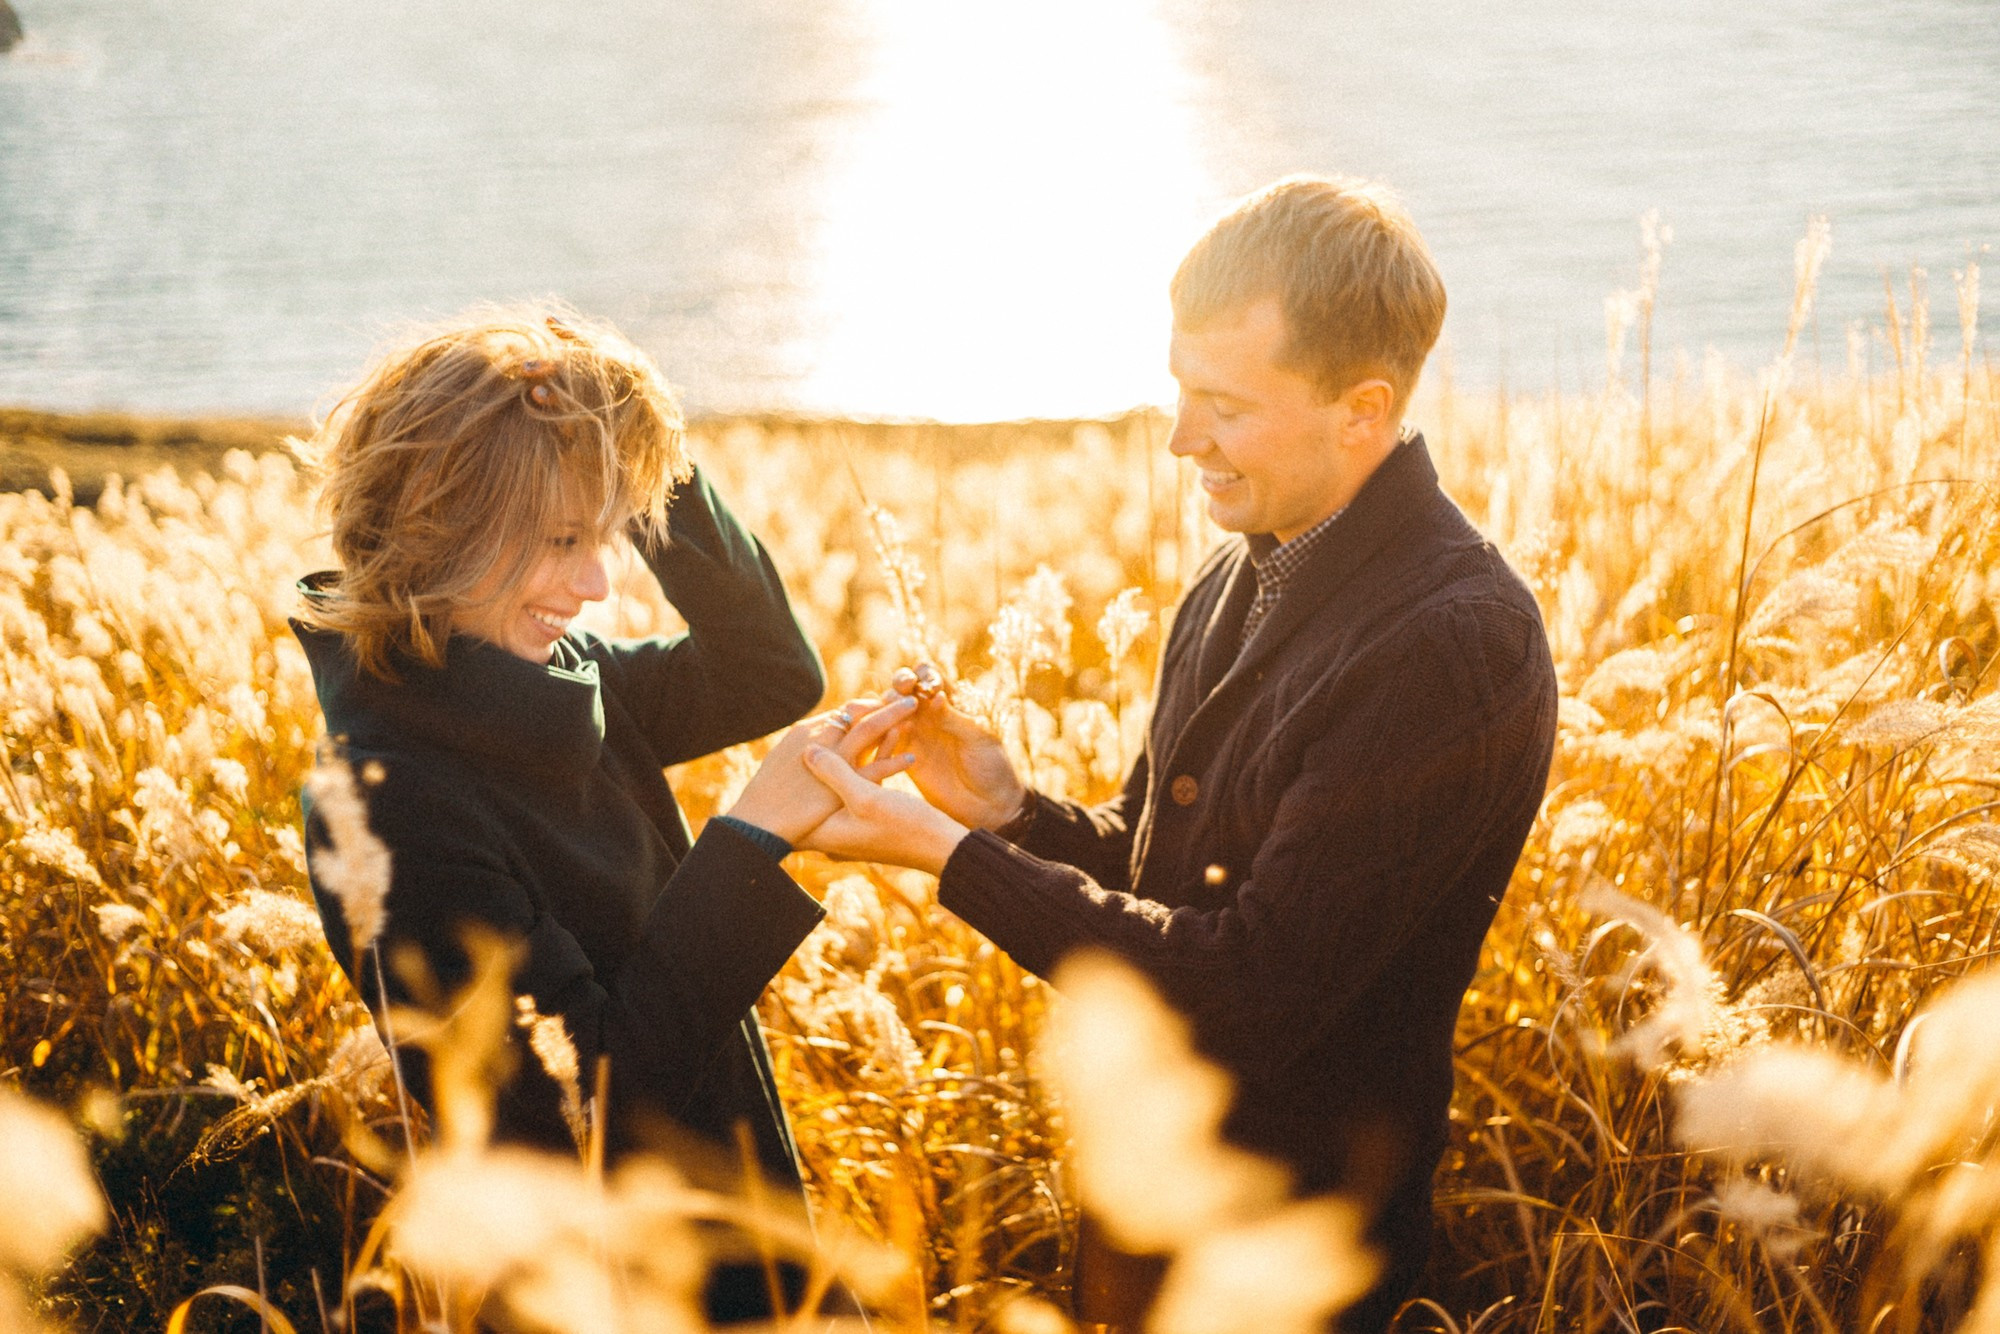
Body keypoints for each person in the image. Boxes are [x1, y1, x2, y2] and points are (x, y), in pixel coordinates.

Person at [792, 176, 1560, 1331]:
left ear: (1361, 410)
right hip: (1152, 1211)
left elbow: (1250, 985)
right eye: (1177, 390)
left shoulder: (1449, 645)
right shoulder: (1245, 566)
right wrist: (1010, 810)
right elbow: (1168, 879)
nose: (1176, 439)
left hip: (1290, 1258)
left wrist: (948, 856)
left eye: (1222, 405)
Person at [290, 308, 913, 1322]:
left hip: (737, 1212)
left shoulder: (548, 674)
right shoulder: (381, 800)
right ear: (439, 528)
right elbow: (584, 1101)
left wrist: (631, 441)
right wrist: (749, 840)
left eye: (606, 532)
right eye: (562, 541)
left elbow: (766, 671)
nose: (593, 585)